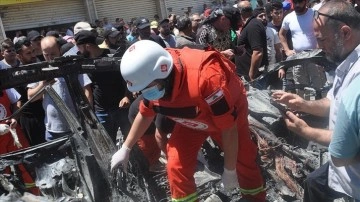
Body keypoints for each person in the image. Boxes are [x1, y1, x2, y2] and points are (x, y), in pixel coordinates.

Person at [111, 40, 266, 202]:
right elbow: (145, 113)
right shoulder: (154, 80)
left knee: (243, 159)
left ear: (165, 72)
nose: (147, 93)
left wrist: (229, 170)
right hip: (192, 118)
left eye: (150, 88)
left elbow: (228, 128)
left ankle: (254, 197)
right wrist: (126, 148)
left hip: (226, 115)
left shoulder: (207, 78)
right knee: (176, 165)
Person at [272, 0, 360, 200]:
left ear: (345, 33)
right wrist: (302, 104)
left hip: (353, 184)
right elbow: (332, 102)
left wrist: (306, 131)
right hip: (340, 173)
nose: (318, 48)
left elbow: (345, 150)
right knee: (314, 183)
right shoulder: (346, 61)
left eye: (322, 40)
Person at [27, 36, 92, 141]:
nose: (50, 58)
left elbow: (87, 89)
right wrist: (43, 85)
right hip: (52, 130)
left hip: (77, 126)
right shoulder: (39, 70)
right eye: (46, 54)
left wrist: (88, 115)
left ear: (60, 50)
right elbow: (31, 97)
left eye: (53, 54)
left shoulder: (71, 66)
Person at [75, 30, 131, 142]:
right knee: (107, 144)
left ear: (87, 46)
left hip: (121, 108)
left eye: (79, 47)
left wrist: (127, 96)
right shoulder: (83, 62)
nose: (78, 50)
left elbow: (128, 78)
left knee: (130, 140)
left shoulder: (114, 56)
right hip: (101, 112)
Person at [279, 0, 326, 96]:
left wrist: (320, 47)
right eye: (295, 2)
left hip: (314, 57)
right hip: (298, 58)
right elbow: (281, 34)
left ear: (306, 1)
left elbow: (323, 30)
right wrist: (287, 50)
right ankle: (303, 109)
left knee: (320, 86)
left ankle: (321, 109)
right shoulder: (289, 17)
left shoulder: (314, 14)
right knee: (301, 87)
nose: (297, 5)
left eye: (300, 2)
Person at [0, 88, 39, 195]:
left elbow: (17, 101)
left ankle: (36, 195)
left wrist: (15, 117)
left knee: (28, 165)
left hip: (14, 134)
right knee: (3, 174)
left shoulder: (4, 82)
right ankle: (9, 197)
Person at [14, 38, 46, 145]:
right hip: (32, 119)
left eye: (33, 51)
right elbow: (31, 96)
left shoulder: (34, 66)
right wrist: (45, 83)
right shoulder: (21, 73)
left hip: (42, 114)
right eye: (28, 53)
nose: (33, 55)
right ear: (19, 56)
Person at [237, 1, 269, 88]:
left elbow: (258, 52)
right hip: (248, 76)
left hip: (254, 78)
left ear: (240, 12)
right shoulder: (251, 24)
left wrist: (251, 75)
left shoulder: (253, 25)